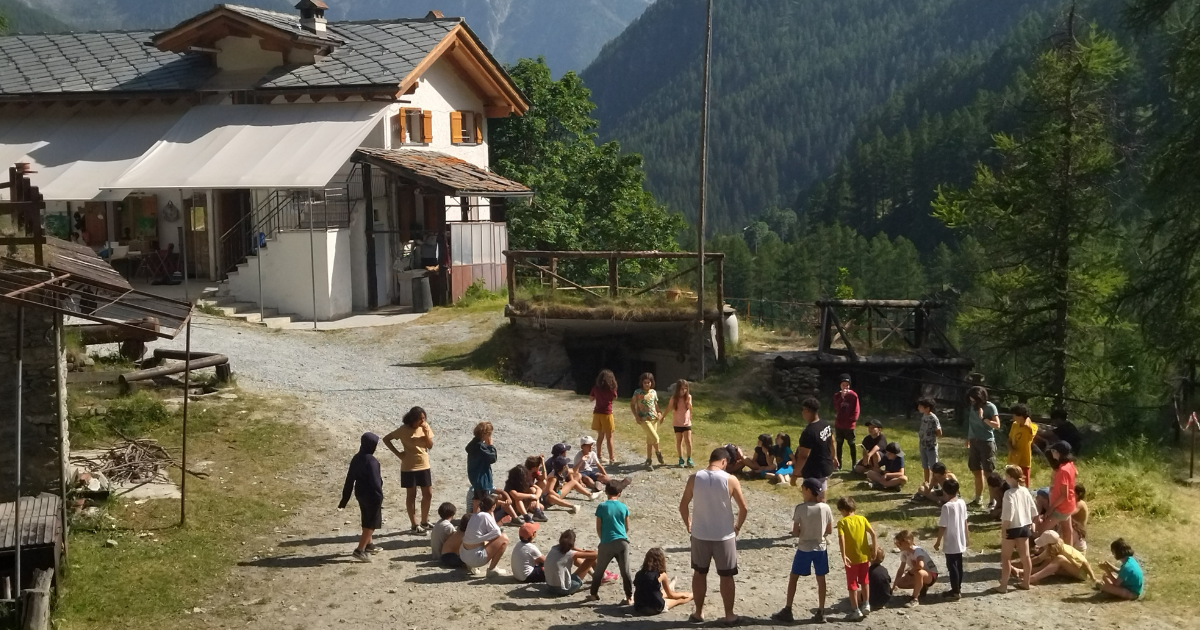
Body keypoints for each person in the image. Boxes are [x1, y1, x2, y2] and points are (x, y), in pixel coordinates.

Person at [679, 448, 750, 625]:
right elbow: (744, 509)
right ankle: (729, 615)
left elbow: (683, 505)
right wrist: (737, 527)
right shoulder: (730, 480)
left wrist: (689, 525)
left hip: (700, 534)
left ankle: (698, 612)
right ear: (724, 462)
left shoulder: (694, 478)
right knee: (726, 576)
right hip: (724, 536)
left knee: (699, 573)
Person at [771, 478, 834, 624]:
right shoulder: (826, 508)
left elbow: (795, 531)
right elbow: (829, 530)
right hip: (820, 547)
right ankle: (821, 610)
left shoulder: (801, 508)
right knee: (821, 579)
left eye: (803, 489)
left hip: (804, 548)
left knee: (794, 577)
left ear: (807, 490)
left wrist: (802, 531)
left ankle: (788, 609)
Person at [383, 406, 435, 533]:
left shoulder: (425, 427)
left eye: (424, 418)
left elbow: (430, 445)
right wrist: (398, 454)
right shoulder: (403, 430)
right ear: (413, 419)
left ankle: (424, 521)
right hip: (409, 467)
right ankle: (414, 524)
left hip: (424, 465)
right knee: (411, 495)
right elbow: (386, 439)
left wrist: (425, 432)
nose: (422, 421)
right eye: (420, 419)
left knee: (428, 494)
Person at [338, 432, 384, 562]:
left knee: (366, 518)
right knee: (372, 523)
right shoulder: (372, 461)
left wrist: (344, 499)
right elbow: (376, 482)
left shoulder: (356, 458)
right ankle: (360, 550)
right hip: (372, 495)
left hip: (360, 493)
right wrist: (379, 496)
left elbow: (349, 479)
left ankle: (369, 544)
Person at [587, 481, 634, 604]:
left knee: (599, 570)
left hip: (606, 541)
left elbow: (598, 526)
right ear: (619, 493)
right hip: (622, 541)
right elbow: (627, 527)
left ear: (606, 492)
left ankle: (593, 594)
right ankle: (629, 597)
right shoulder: (623, 507)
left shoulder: (602, 507)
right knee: (625, 571)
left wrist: (602, 538)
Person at [836, 496, 878, 621]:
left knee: (852, 585)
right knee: (865, 581)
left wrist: (843, 555)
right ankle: (866, 604)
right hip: (864, 556)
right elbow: (873, 534)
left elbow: (841, 539)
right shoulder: (862, 519)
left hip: (851, 559)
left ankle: (855, 610)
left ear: (843, 510)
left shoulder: (842, 522)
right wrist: (874, 550)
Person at [998, 465, 1036, 593]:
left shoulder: (1009, 494)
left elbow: (1008, 514)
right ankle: (1026, 582)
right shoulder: (1025, 490)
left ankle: (1003, 585)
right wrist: (1032, 521)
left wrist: (1003, 529)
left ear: (1009, 477)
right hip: (1024, 526)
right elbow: (1032, 508)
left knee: (1006, 557)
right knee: (1025, 556)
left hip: (1012, 527)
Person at [965, 386, 1001, 509]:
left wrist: (983, 419)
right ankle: (978, 499)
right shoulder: (973, 407)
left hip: (987, 443)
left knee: (988, 473)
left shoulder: (990, 407)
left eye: (974, 400)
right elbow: (971, 423)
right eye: (971, 400)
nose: (972, 402)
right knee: (976, 470)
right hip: (974, 441)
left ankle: (993, 501)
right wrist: (969, 438)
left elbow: (997, 425)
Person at [795, 398, 838, 497]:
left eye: (802, 410)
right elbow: (832, 440)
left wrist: (795, 473)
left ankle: (820, 512)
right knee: (821, 494)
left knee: (812, 498)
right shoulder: (825, 424)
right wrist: (834, 457)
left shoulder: (809, 432)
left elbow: (803, 456)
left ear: (807, 411)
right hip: (826, 466)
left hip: (814, 471)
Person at [460, 494, 510, 577]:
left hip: (464, 555)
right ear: (493, 506)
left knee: (485, 538)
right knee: (504, 538)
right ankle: (492, 569)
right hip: (475, 558)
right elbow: (497, 532)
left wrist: (501, 522)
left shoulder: (475, 515)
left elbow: (491, 531)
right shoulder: (485, 515)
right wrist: (492, 514)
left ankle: (471, 566)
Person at [933, 478, 967, 599]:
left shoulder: (946, 507)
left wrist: (937, 542)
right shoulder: (962, 503)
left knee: (952, 566)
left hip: (951, 540)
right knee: (959, 565)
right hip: (960, 538)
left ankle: (955, 591)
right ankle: (958, 588)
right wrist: (967, 537)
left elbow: (943, 526)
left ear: (944, 491)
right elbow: (965, 521)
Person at [634, 548, 695, 615]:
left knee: (656, 591)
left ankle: (671, 586)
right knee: (679, 599)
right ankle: (694, 594)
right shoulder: (661, 575)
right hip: (654, 607)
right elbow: (671, 595)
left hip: (639, 606)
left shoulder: (639, 574)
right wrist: (682, 594)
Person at [1024, 529, 1095, 585]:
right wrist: (1022, 563)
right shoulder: (1051, 549)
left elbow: (1085, 563)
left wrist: (1093, 578)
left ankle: (1033, 578)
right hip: (1068, 570)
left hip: (1081, 573)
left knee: (1060, 558)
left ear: (1049, 545)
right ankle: (1022, 572)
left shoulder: (1066, 550)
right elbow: (1038, 559)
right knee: (1048, 561)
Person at [545, 529, 599, 597]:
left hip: (550, 587)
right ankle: (601, 577)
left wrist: (576, 550)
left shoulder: (554, 548)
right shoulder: (570, 554)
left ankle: (594, 574)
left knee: (575, 558)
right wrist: (580, 550)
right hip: (563, 589)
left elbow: (573, 556)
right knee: (591, 559)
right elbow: (596, 554)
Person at [892, 530, 938, 608]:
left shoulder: (917, 551)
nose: (897, 545)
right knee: (900, 583)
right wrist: (894, 585)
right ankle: (922, 587)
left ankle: (914, 598)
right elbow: (901, 569)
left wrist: (910, 572)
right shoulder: (904, 553)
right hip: (919, 574)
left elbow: (920, 565)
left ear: (907, 542)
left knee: (918, 572)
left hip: (931, 574)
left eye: (899, 543)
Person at [1046, 441, 1079, 547]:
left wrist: (1051, 508)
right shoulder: (1069, 464)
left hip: (1061, 507)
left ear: (1058, 453)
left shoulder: (1063, 470)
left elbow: (1063, 495)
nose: (1052, 453)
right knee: (1067, 530)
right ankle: (1068, 553)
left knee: (1041, 530)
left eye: (1053, 451)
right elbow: (1076, 473)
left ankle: (1044, 554)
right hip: (1069, 504)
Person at [631, 372, 665, 469]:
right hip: (643, 419)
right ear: (642, 383)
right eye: (645, 382)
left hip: (653, 418)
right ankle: (658, 452)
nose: (647, 384)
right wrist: (636, 416)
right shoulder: (637, 392)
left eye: (648, 382)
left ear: (652, 383)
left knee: (650, 441)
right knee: (655, 438)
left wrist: (659, 413)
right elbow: (632, 404)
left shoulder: (653, 392)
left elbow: (656, 405)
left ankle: (649, 460)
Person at [466, 421, 497, 512]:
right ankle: (481, 518)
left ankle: (476, 517)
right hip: (482, 477)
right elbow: (492, 458)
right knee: (484, 500)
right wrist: (490, 446)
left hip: (475, 476)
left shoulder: (473, 444)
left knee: (477, 498)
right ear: (485, 434)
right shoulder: (480, 446)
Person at [591, 369, 619, 464]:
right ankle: (612, 458)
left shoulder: (596, 388)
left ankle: (599, 456)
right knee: (609, 437)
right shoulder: (611, 390)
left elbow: (591, 398)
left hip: (597, 413)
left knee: (600, 436)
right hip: (607, 414)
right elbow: (615, 398)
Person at [833, 374, 860, 469]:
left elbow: (856, 409)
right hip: (839, 424)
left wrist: (853, 419)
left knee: (851, 444)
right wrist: (842, 397)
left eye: (847, 385)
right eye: (843, 385)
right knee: (839, 444)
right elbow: (836, 407)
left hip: (849, 425)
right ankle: (838, 464)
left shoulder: (853, 395)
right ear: (840, 386)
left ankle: (854, 464)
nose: (845, 387)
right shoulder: (837, 396)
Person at [1007, 404, 1038, 488]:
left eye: (1014, 414)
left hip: (1024, 460)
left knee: (1024, 485)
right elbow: (1009, 440)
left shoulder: (1032, 427)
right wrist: (1011, 449)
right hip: (1013, 460)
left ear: (1020, 416)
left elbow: (1029, 427)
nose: (1012, 416)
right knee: (1011, 483)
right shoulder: (1014, 425)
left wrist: (1026, 418)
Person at [669, 379, 695, 467]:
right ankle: (680, 458)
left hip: (686, 423)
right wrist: (663, 416)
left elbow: (690, 408)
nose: (683, 391)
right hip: (677, 423)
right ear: (677, 389)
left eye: (685, 389)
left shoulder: (688, 397)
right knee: (679, 441)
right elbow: (668, 408)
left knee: (688, 441)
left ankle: (689, 458)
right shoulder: (674, 398)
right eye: (682, 389)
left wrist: (690, 415)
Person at [916, 398, 942, 485]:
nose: (918, 408)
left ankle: (935, 484)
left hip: (930, 446)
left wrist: (931, 436)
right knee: (925, 466)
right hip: (923, 445)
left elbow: (939, 431)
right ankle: (926, 483)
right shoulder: (924, 416)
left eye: (921, 406)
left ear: (927, 408)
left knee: (933, 466)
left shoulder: (933, 418)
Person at [1072, 484, 1089, 552]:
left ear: (1079, 494)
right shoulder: (1076, 503)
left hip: (1078, 533)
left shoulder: (1080, 503)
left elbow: (1068, 513)